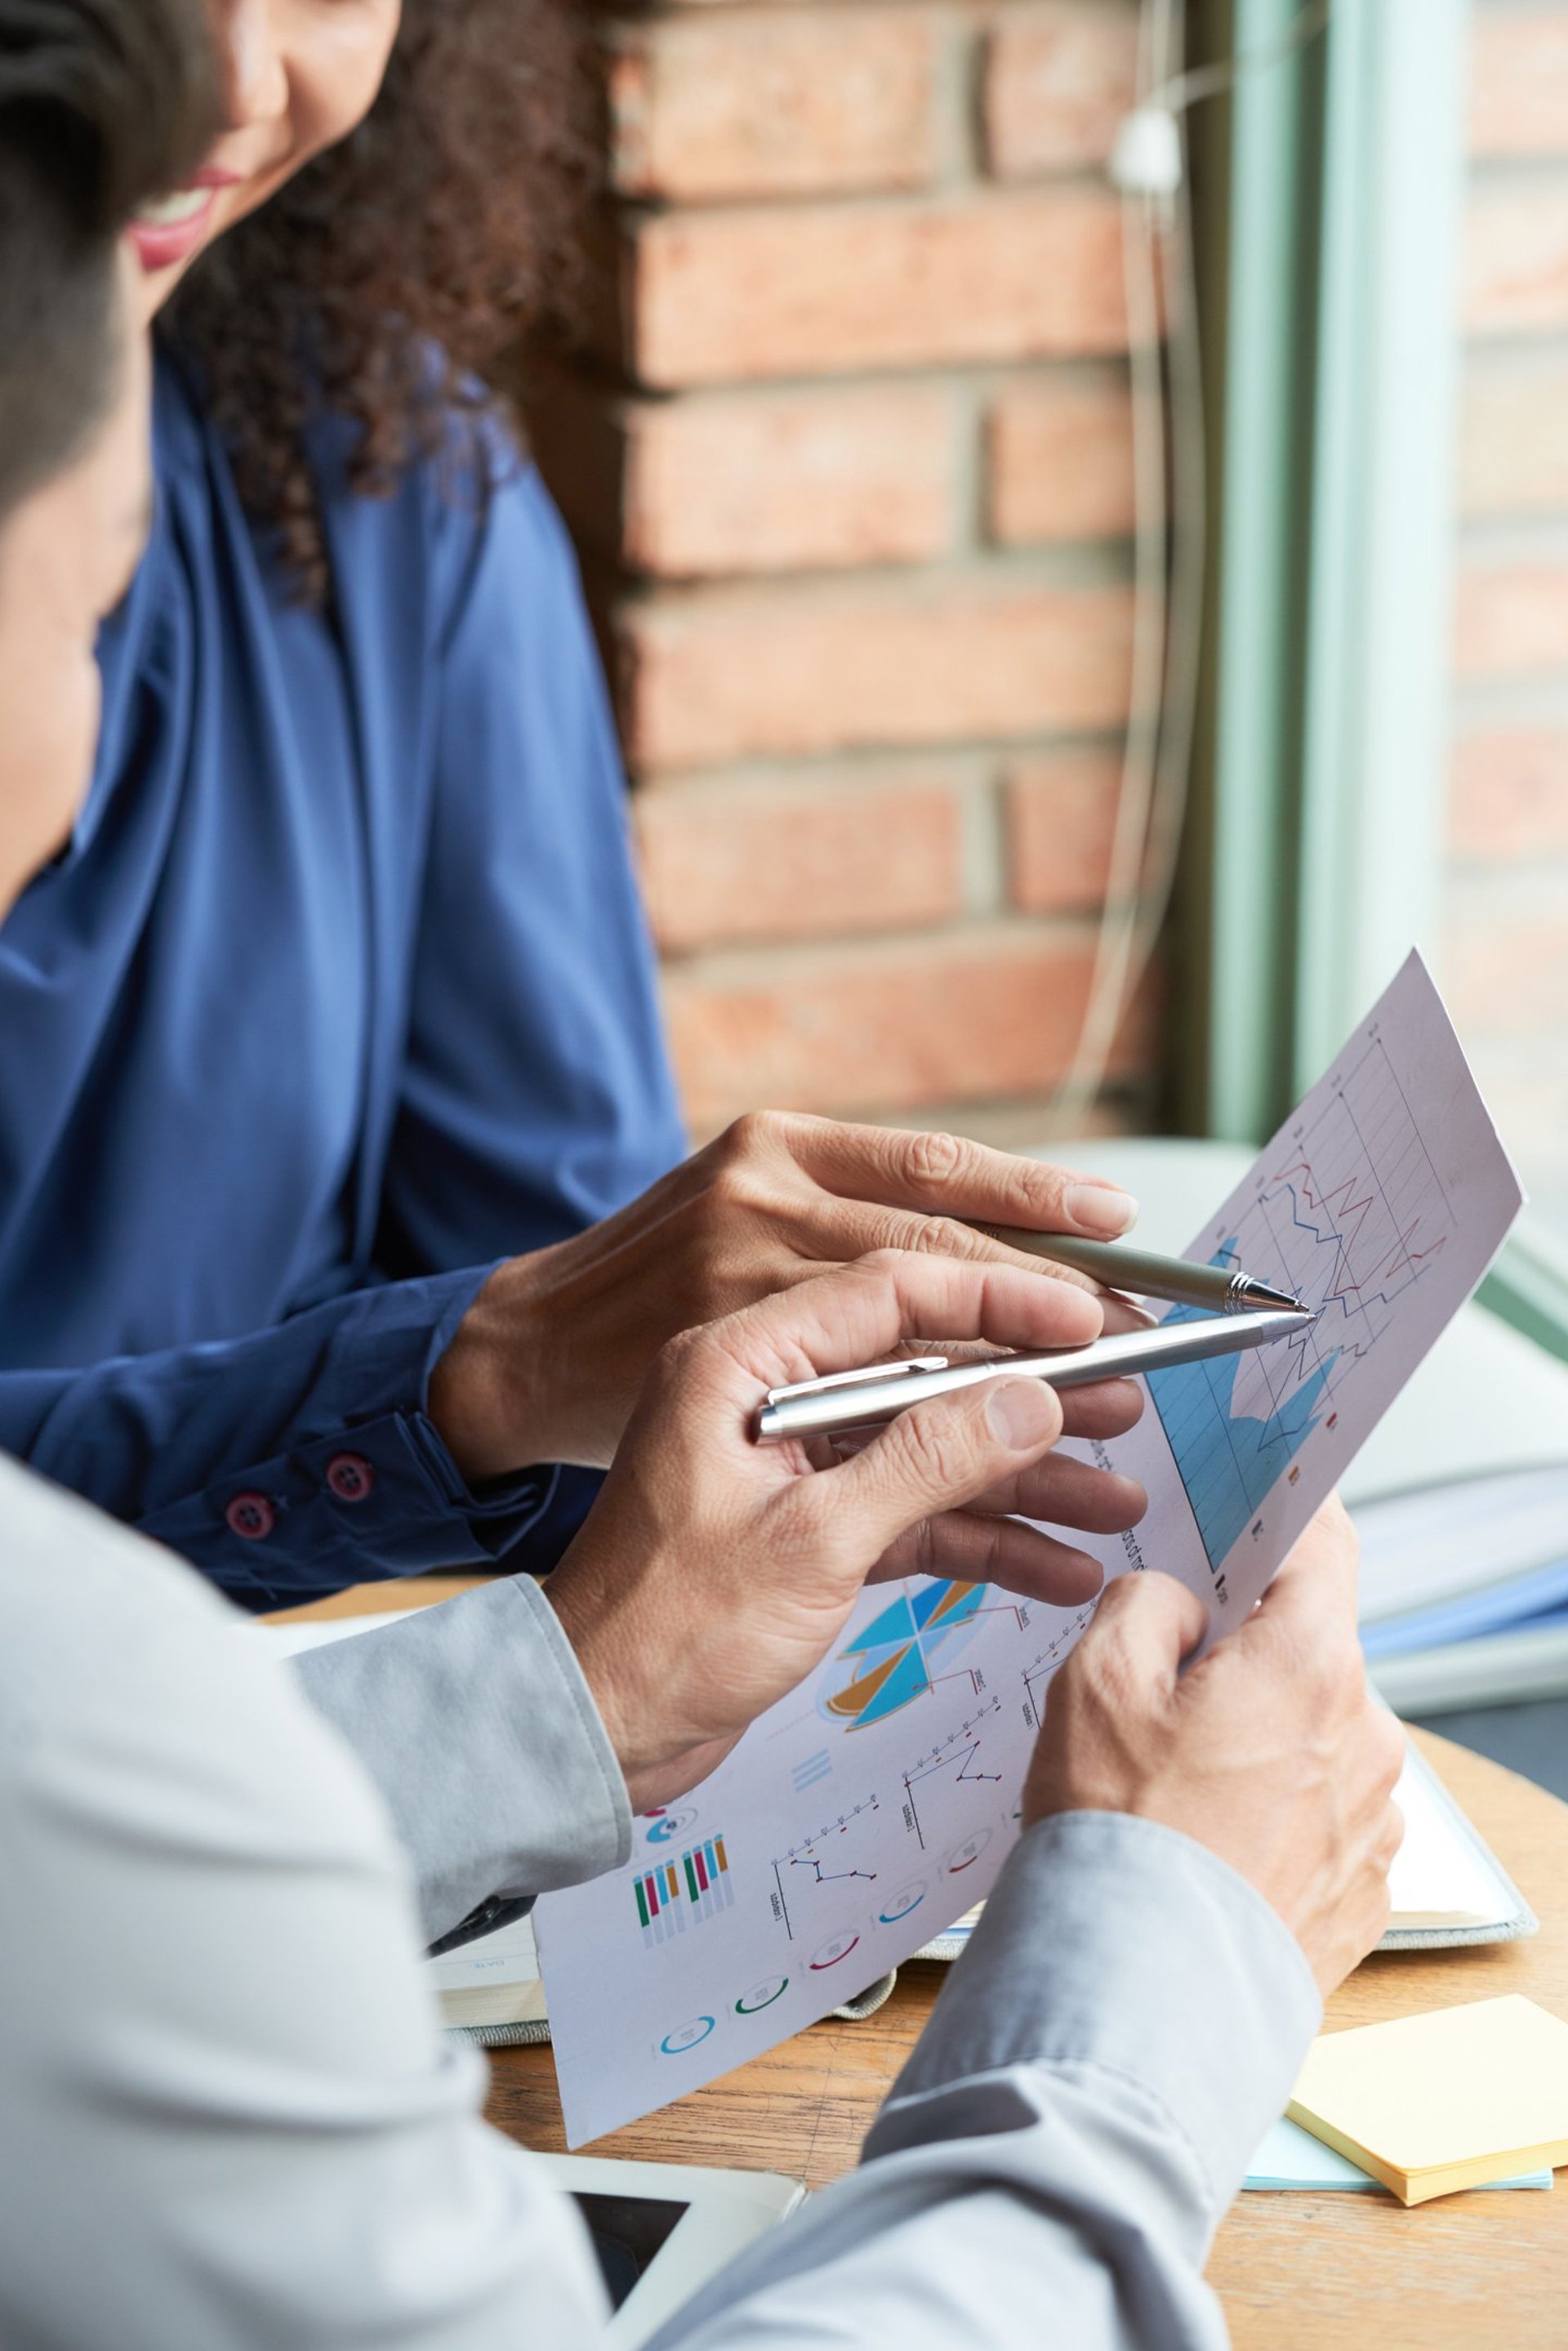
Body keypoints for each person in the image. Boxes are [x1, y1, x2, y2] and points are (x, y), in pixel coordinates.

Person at [0, 22, 1405, 2346]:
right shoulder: (108, 1742)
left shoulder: (390, 483)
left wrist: (577, 1693)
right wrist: (1155, 1972)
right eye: (75, 614)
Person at [0, 0, 1155, 1612]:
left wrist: (698, 1383)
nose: (241, 80)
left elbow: (583, 1341)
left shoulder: (387, 484)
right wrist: (453, 1384)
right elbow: (518, 1358)